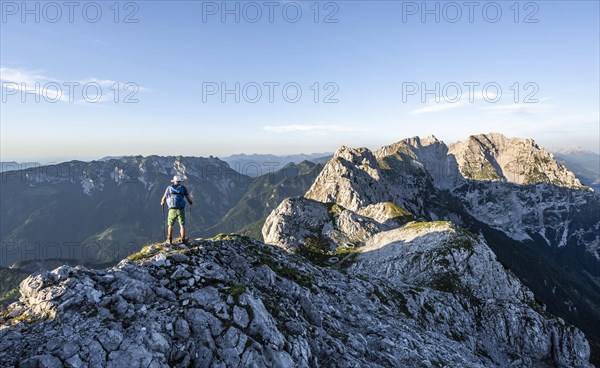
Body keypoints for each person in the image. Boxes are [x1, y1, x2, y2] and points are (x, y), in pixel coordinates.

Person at [160, 175, 193, 245]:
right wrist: (191, 203)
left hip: (172, 209)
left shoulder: (169, 188)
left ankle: (169, 239)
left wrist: (162, 203)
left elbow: (164, 198)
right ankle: (183, 240)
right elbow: (188, 198)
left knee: (170, 224)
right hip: (181, 208)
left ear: (174, 181)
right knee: (182, 224)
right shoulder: (183, 188)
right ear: (180, 181)